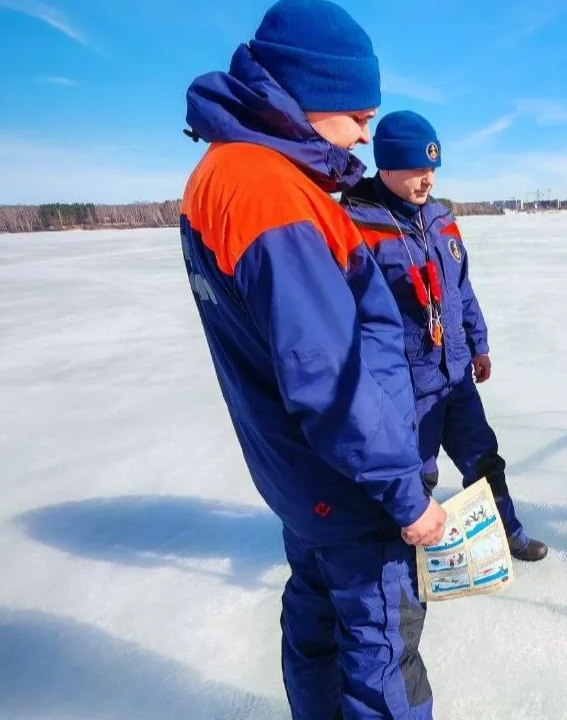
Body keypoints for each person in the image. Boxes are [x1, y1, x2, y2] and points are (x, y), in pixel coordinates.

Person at [177, 2, 444, 717]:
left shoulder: (227, 174)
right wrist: (405, 495)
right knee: (382, 655)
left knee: (318, 629)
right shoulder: (270, 195)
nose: (364, 135)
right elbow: (329, 376)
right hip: (351, 485)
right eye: (357, 115)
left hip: (302, 477)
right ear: (308, 92)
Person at [340, 110, 549, 562]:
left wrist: (479, 344)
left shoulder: (441, 218)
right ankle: (408, 562)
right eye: (417, 169)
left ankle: (508, 534)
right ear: (387, 165)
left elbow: (461, 289)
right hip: (404, 386)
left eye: (432, 168)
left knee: (484, 460)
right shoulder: (357, 225)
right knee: (416, 478)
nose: (428, 179)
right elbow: (347, 316)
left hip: (455, 376)